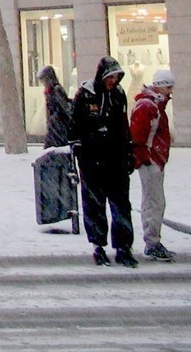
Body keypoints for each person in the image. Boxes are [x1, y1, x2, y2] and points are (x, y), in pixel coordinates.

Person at [71, 56, 137, 268]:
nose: (113, 81)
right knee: (94, 205)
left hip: (115, 159)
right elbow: (75, 126)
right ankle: (98, 246)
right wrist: (80, 149)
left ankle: (124, 247)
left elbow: (123, 126)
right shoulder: (85, 95)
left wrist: (128, 152)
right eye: (110, 77)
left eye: (116, 77)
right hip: (93, 160)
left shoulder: (118, 95)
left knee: (121, 206)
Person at [130, 69, 175, 262]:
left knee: (154, 201)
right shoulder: (149, 106)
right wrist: (148, 158)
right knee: (154, 202)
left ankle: (153, 241)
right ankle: (152, 242)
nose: (170, 91)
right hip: (151, 160)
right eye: (169, 86)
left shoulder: (151, 105)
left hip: (153, 159)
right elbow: (139, 137)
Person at [38, 65, 72, 149]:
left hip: (58, 124)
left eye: (43, 80)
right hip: (54, 124)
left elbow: (64, 106)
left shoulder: (56, 89)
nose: (43, 83)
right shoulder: (51, 90)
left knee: (55, 148)